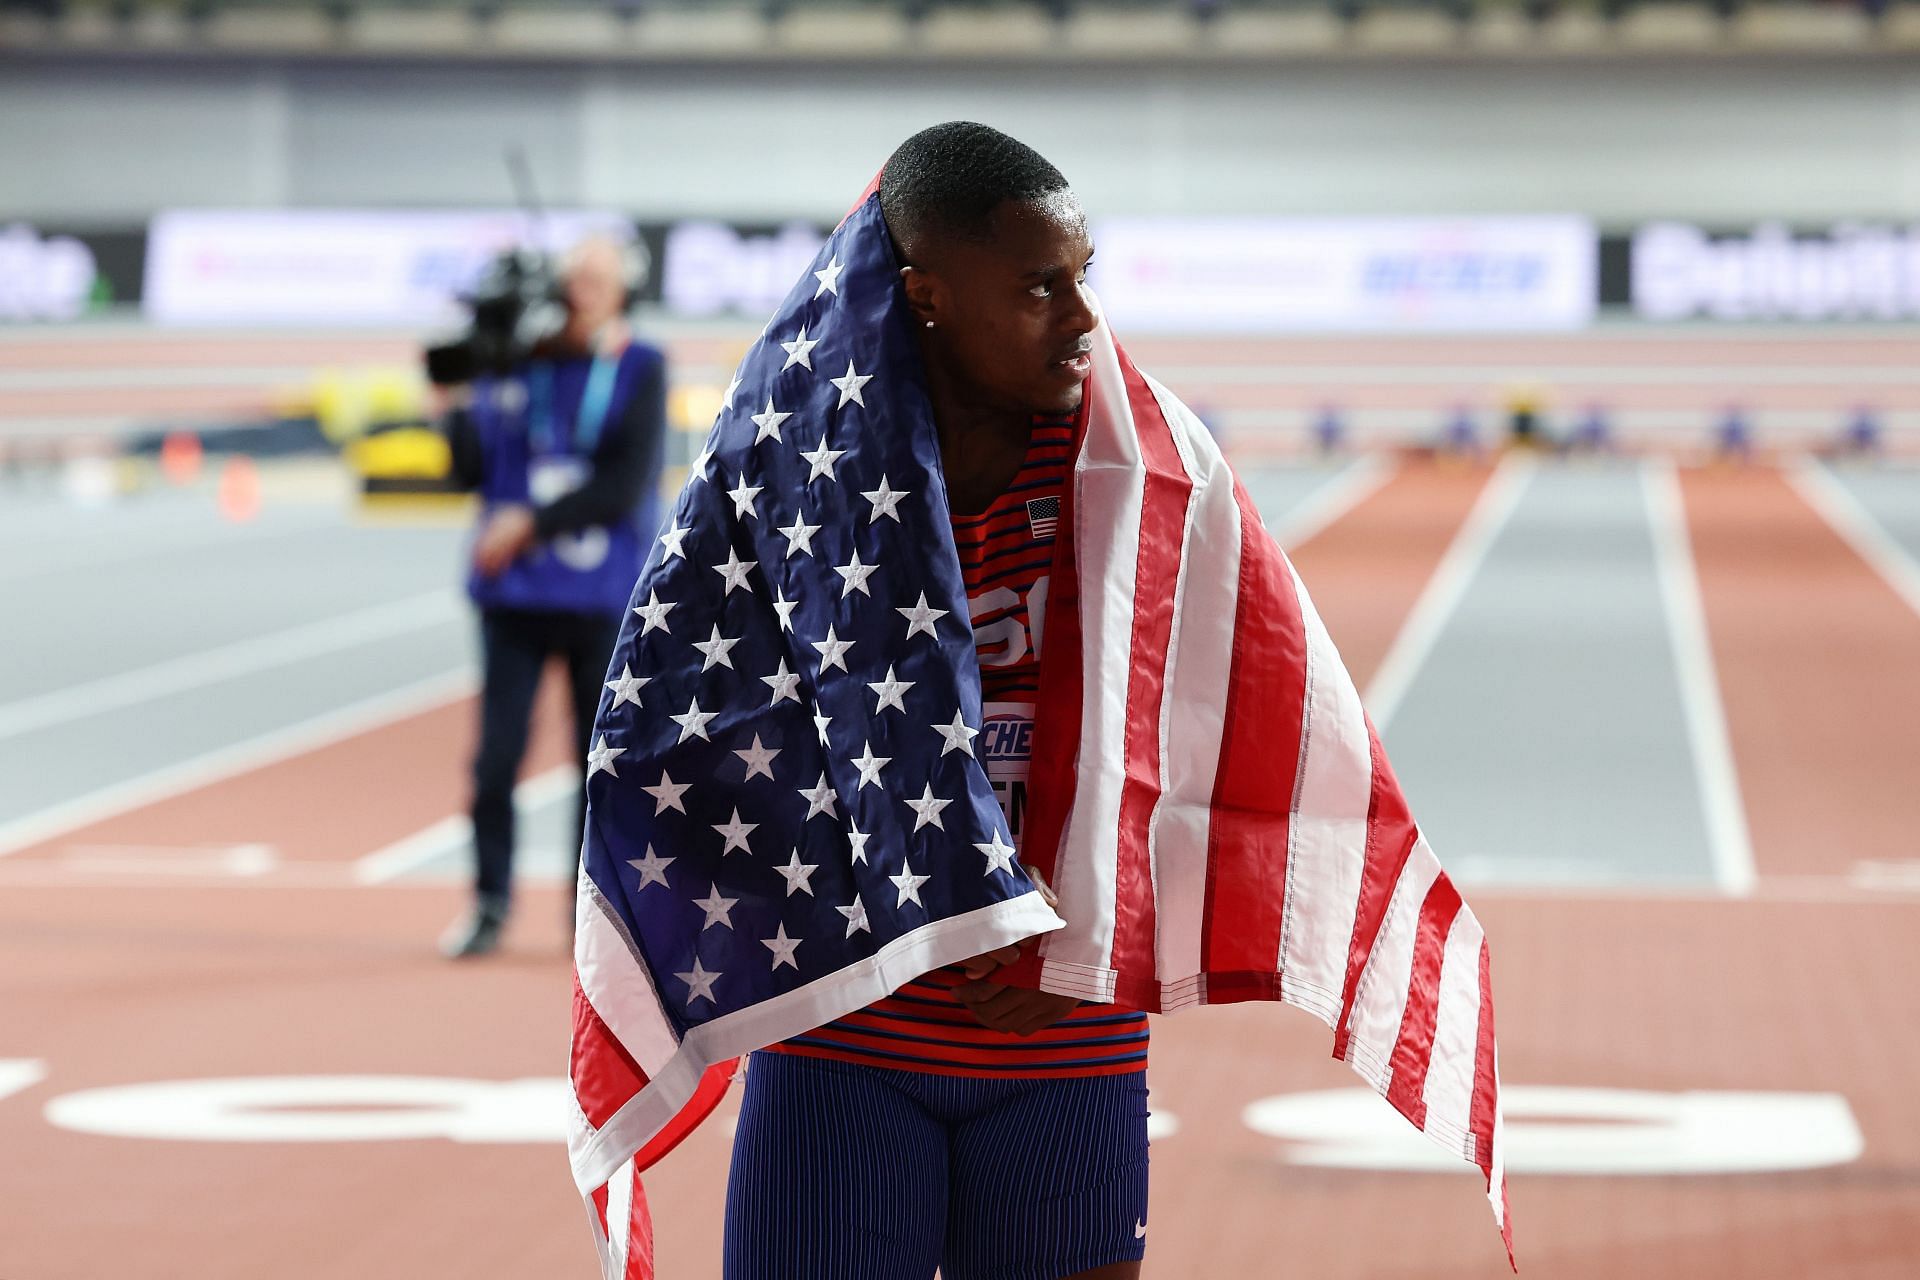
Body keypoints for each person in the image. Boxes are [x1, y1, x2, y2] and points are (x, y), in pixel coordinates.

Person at [721, 124, 1147, 1280]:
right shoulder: (801, 482)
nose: (1083, 317)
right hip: (845, 1028)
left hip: (1064, 1030)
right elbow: (724, 743)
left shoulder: (1136, 472)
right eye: (1041, 286)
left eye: (1083, 277)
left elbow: (1208, 735)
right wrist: (937, 896)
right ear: (929, 297)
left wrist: (1092, 927)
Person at [438, 235, 668, 959]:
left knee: (595, 763)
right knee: (495, 759)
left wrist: (530, 524)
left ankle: (587, 920)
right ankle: (488, 902)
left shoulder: (641, 366)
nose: (581, 294)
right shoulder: (518, 364)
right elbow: (471, 472)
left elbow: (623, 485)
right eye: (572, 281)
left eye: (596, 282)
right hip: (513, 596)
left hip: (599, 595)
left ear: (621, 289)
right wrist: (452, 408)